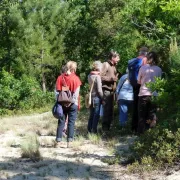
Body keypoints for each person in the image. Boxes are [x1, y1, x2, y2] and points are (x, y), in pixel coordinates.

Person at [55, 61, 82, 147]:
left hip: (62, 103)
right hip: (73, 104)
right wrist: (71, 102)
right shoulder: (76, 79)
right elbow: (76, 93)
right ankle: (69, 142)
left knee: (61, 122)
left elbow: (57, 92)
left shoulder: (60, 78)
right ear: (74, 68)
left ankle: (58, 141)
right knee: (71, 122)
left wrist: (60, 101)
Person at [137, 51, 162, 134]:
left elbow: (139, 81)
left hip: (143, 93)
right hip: (154, 94)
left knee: (142, 115)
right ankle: (150, 133)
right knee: (151, 114)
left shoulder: (142, 68)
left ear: (147, 58)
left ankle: (141, 134)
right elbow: (160, 82)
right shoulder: (159, 69)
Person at [129, 46, 148, 133]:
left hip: (134, 85)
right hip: (141, 85)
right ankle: (142, 129)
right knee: (141, 108)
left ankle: (133, 127)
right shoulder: (144, 60)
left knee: (135, 106)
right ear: (146, 53)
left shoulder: (132, 61)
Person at [101, 51, 120, 132]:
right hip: (106, 90)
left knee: (111, 110)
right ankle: (105, 128)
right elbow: (100, 76)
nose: (119, 59)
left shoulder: (114, 67)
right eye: (117, 57)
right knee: (106, 109)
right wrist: (111, 79)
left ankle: (109, 128)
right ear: (112, 58)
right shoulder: (106, 64)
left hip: (112, 91)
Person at [87, 61, 103, 134]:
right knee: (96, 115)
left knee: (91, 114)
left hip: (91, 97)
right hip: (96, 97)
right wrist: (103, 98)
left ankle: (89, 130)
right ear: (98, 67)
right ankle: (94, 131)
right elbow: (99, 90)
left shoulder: (89, 75)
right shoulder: (98, 77)